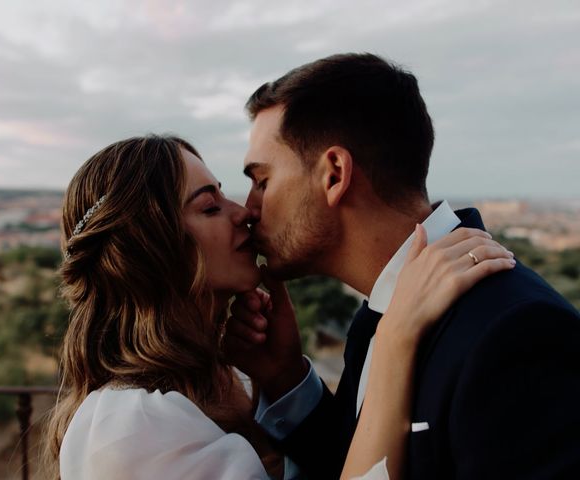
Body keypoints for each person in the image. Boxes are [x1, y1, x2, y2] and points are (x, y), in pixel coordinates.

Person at [45, 134, 513, 479]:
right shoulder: (128, 428)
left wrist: (284, 374)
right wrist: (395, 342)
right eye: (209, 207)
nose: (243, 211)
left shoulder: (234, 380)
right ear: (151, 251)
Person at [226, 52, 580, 479]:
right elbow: (357, 461)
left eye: (262, 181)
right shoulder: (383, 310)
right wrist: (284, 375)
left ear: (334, 174)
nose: (248, 209)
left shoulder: (515, 330)